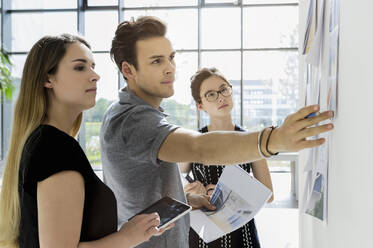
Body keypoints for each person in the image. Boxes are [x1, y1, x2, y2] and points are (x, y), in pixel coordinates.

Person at [100, 16, 333, 248]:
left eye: (171, 58)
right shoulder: (133, 120)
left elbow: (146, 191)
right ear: (128, 70)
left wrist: (186, 198)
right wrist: (274, 139)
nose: (170, 68)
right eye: (156, 61)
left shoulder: (129, 113)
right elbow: (197, 148)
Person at [0, 34, 171, 248]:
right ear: (47, 79)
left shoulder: (42, 142)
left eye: (93, 66)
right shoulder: (56, 148)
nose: (95, 76)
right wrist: (128, 237)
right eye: (80, 67)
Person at [181, 67, 274, 248]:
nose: (221, 97)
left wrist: (227, 194)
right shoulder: (192, 143)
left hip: (242, 234)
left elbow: (268, 194)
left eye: (224, 89)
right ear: (200, 105)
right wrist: (191, 190)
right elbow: (176, 184)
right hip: (202, 234)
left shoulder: (252, 141)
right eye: (211, 94)